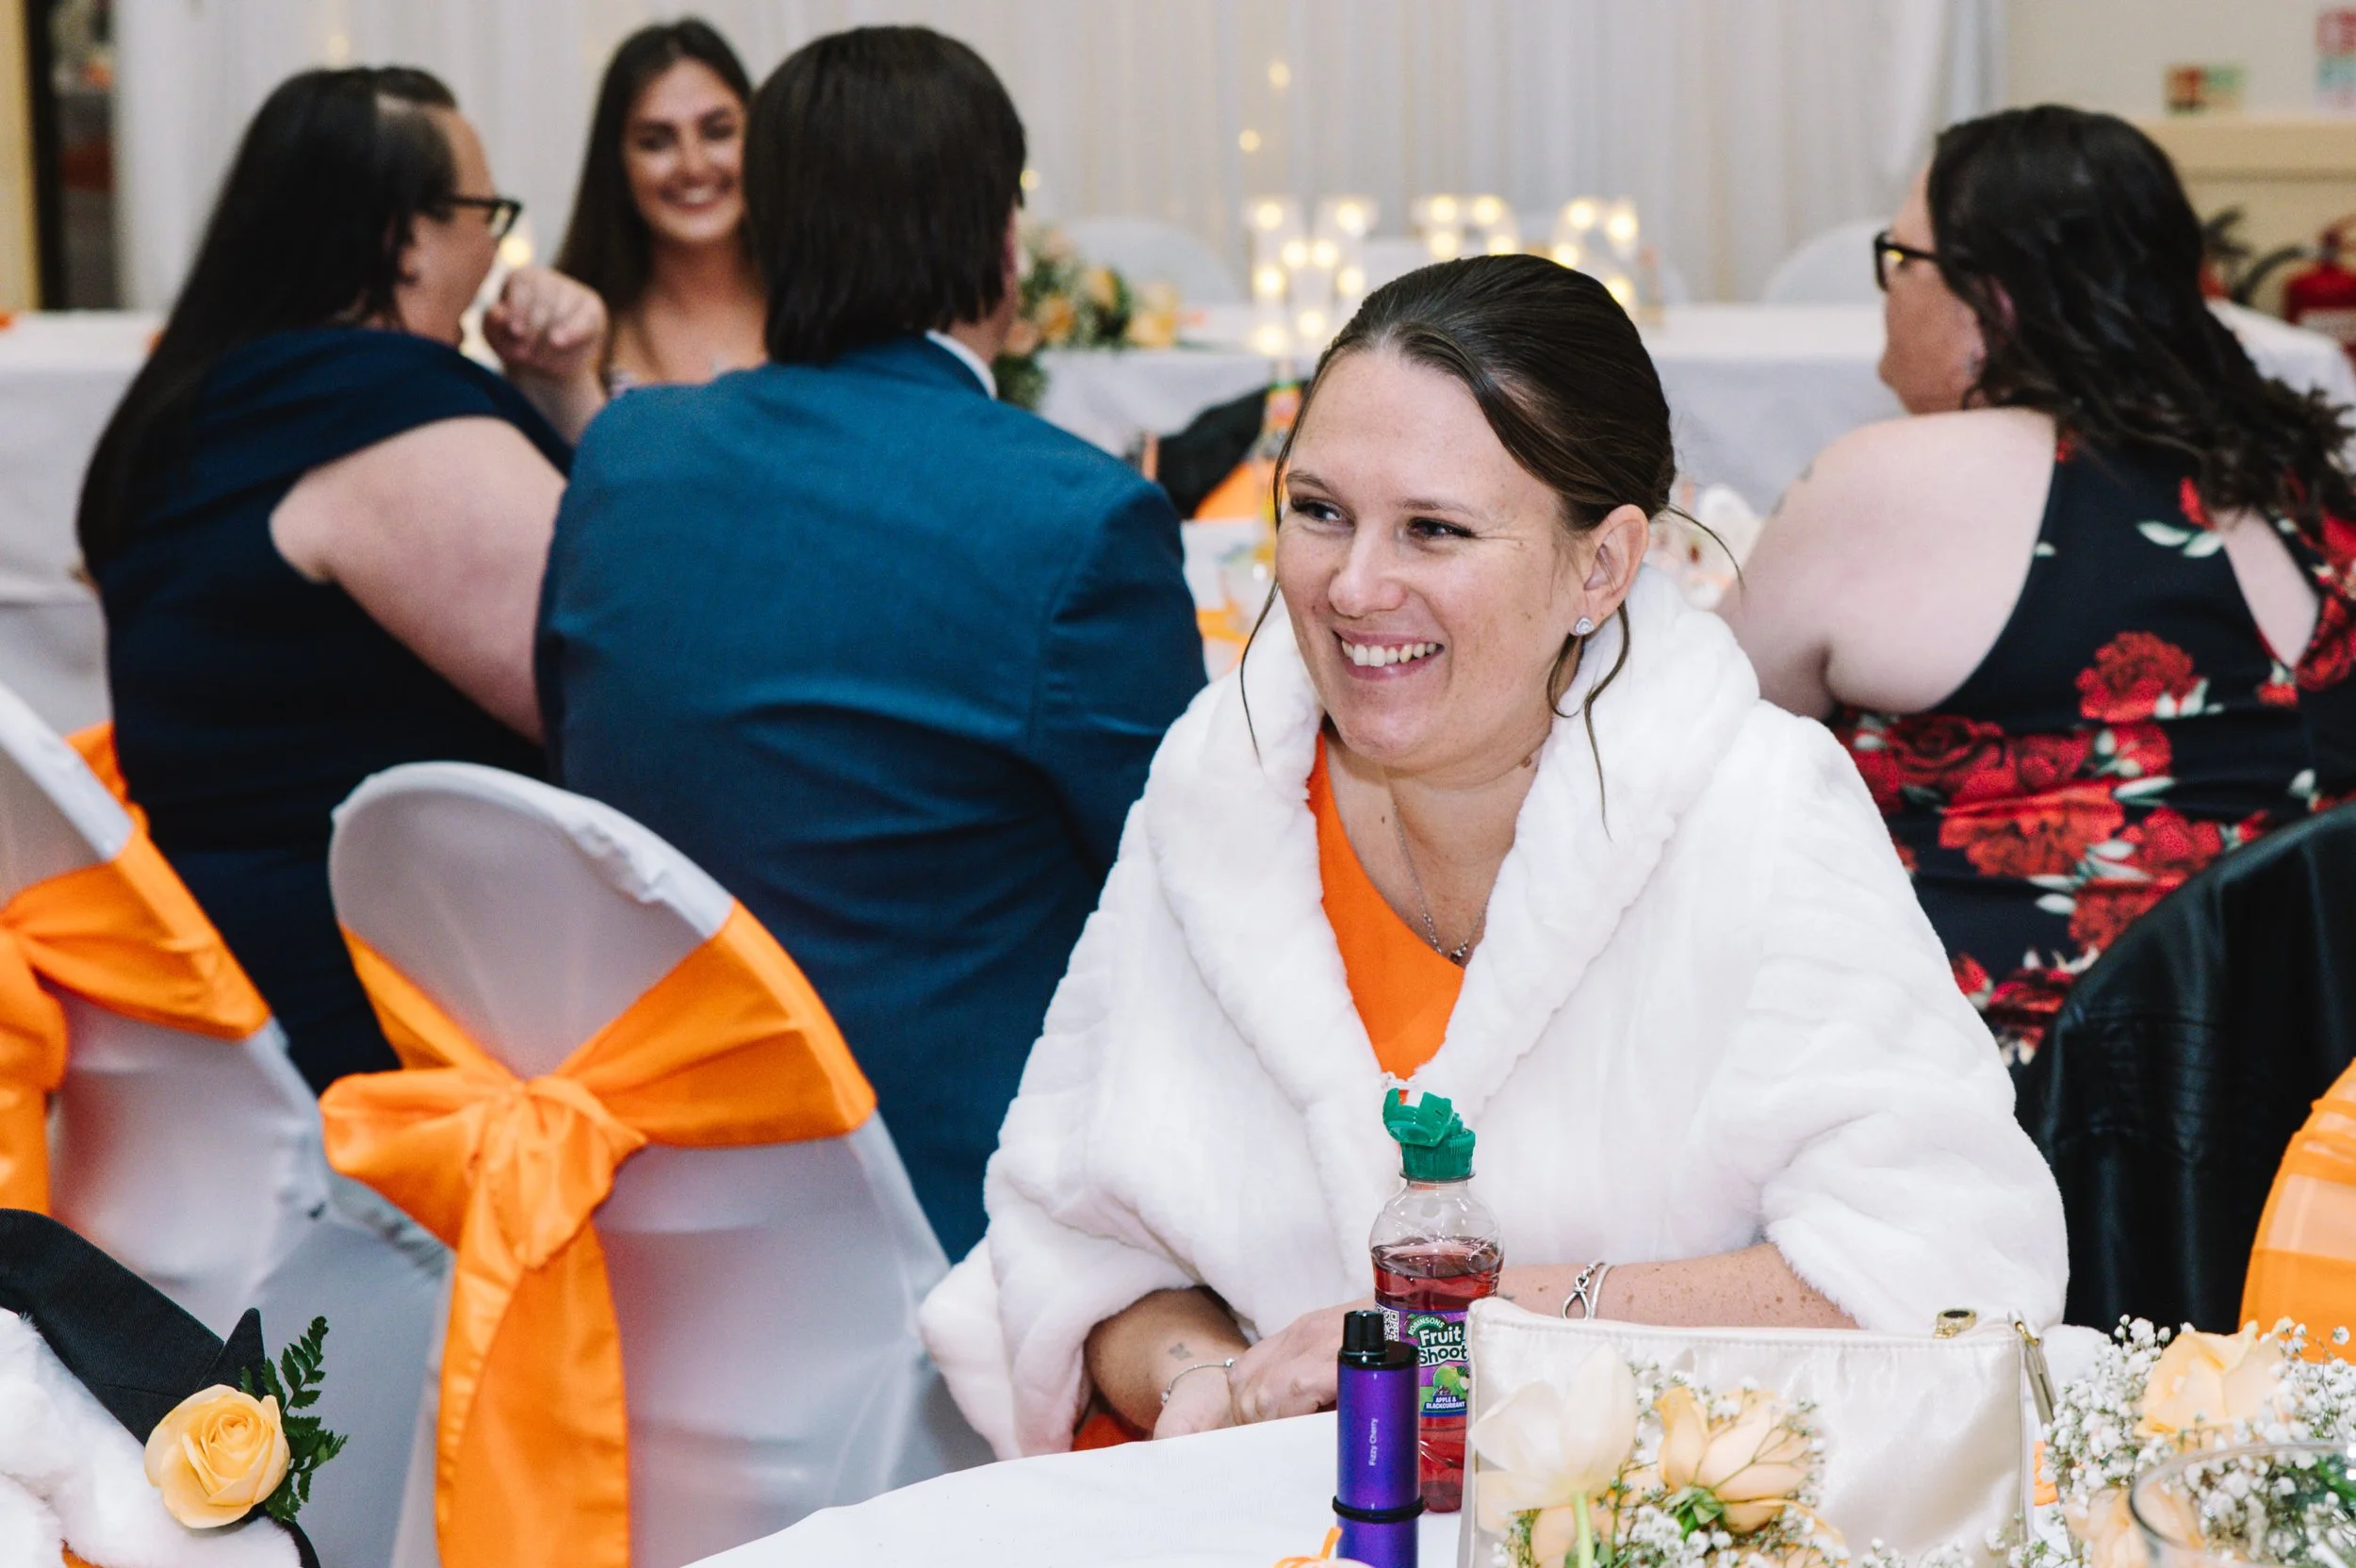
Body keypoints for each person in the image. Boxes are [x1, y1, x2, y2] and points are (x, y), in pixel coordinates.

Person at [918, 254, 2068, 1459]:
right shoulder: (1222, 788)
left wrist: (1475, 1327)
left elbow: (1950, 1272)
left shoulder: (1756, 811)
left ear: (1600, 567)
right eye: (1318, 510)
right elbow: (1074, 1248)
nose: (1353, 584)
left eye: (1434, 529)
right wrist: (1213, 1383)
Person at [535, 25, 1204, 1260]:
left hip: (652, 1181)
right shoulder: (1074, 516)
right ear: (1000, 242)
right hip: (957, 1203)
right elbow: (1187, 885)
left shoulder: (627, 454)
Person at [1720, 106, 2356, 1065]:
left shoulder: (1898, 479)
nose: (1889, 291)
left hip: (1991, 1092)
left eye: (1902, 258)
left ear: (1992, 304)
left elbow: (1692, 727)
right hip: (2293, 1082)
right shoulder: (2302, 483)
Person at [78, 66, 607, 1091]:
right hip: (392, 1042)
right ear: (404, 240)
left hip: (217, 1017)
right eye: (484, 215)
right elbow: (617, 692)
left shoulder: (191, 411)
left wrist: (556, 391)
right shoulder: (380, 410)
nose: (492, 252)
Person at [554, 18, 764, 389]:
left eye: (718, 132)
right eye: (656, 142)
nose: (693, 167)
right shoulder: (571, 335)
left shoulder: (826, 312)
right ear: (617, 163)